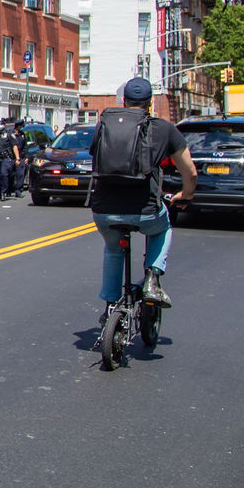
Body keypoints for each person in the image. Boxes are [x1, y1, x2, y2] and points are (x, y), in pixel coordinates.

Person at [89, 77, 197, 313]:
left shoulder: (103, 125)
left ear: (124, 100)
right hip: (144, 210)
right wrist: (185, 195)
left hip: (103, 210)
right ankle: (152, 279)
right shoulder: (165, 129)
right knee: (163, 227)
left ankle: (110, 305)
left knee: (113, 248)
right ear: (150, 103)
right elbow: (190, 172)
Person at [10, 120, 30, 197]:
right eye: (21, 126)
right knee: (10, 174)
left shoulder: (22, 134)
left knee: (20, 174)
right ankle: (8, 190)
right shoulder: (10, 134)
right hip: (11, 157)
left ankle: (18, 190)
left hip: (21, 157)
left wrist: (26, 157)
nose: (22, 127)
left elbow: (25, 147)